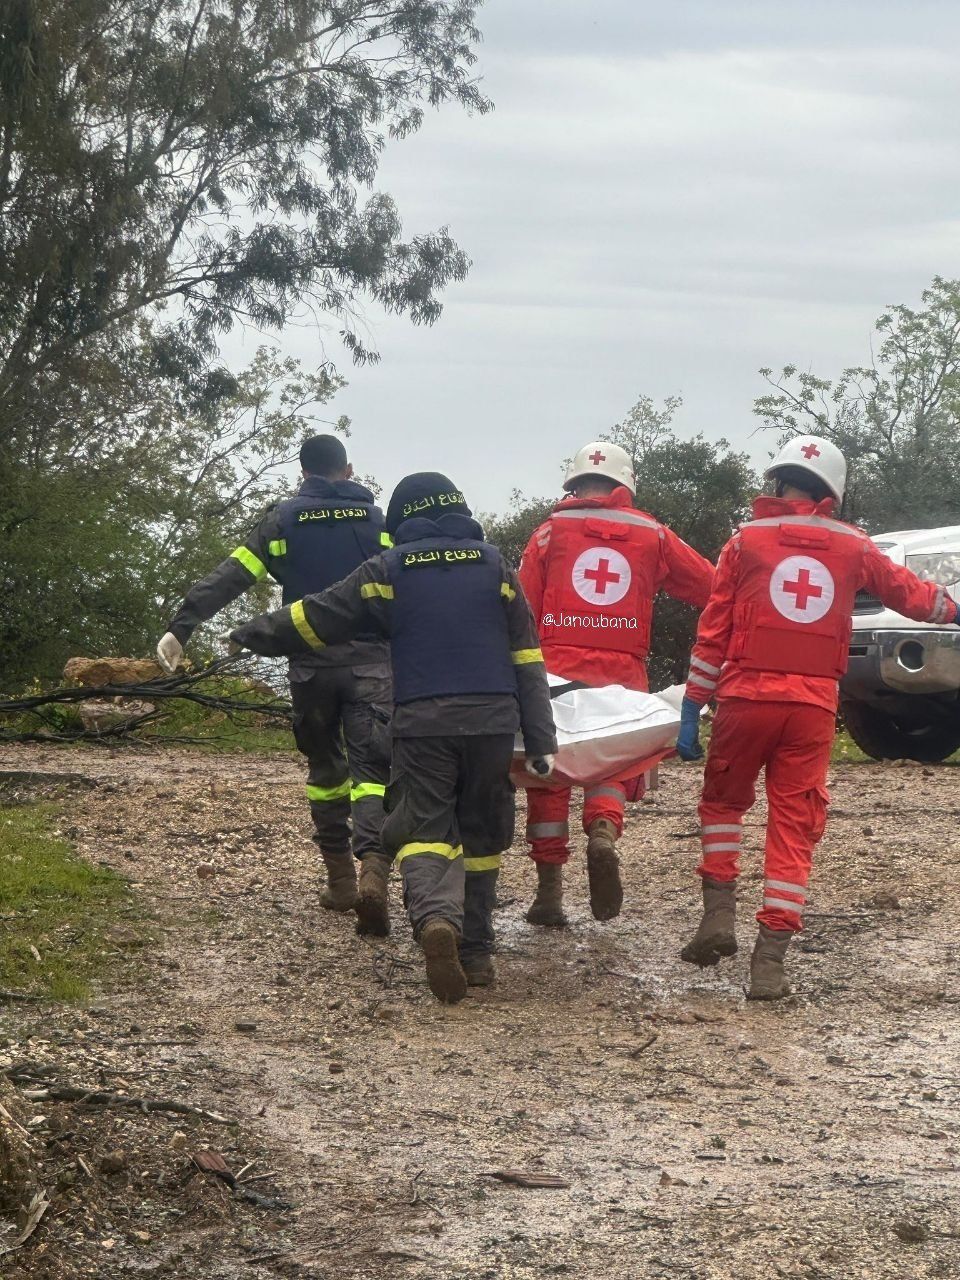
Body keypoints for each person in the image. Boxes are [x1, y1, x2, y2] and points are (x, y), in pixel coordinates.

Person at [229, 472, 558, 1004]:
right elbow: (527, 657)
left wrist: (249, 634)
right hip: (493, 721)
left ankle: (434, 920)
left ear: (404, 519)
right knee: (482, 836)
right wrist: (541, 740)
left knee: (425, 827)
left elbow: (319, 616)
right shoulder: (496, 566)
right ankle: (475, 953)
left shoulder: (389, 569)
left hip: (422, 722)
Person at [677, 436, 960, 999]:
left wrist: (692, 704)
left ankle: (717, 917)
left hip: (744, 699)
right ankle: (770, 963)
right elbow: (911, 597)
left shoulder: (744, 542)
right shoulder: (853, 546)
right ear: (832, 490)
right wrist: (953, 609)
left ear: (779, 482)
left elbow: (714, 630)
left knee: (723, 804)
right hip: (810, 708)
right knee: (794, 823)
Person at [156, 434, 394, 936]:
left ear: (302, 475)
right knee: (373, 770)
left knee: (325, 766)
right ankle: (375, 866)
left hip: (310, 664)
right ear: (348, 471)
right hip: (372, 663)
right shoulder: (378, 523)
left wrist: (183, 625)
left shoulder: (283, 521)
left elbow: (232, 575)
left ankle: (342, 882)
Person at [517, 440, 714, 925]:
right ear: (624, 484)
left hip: (556, 669)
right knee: (613, 762)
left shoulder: (548, 533)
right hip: (624, 670)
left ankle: (549, 895)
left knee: (549, 770)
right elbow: (713, 587)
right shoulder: (653, 534)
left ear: (573, 483)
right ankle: (603, 829)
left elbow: (519, 608)